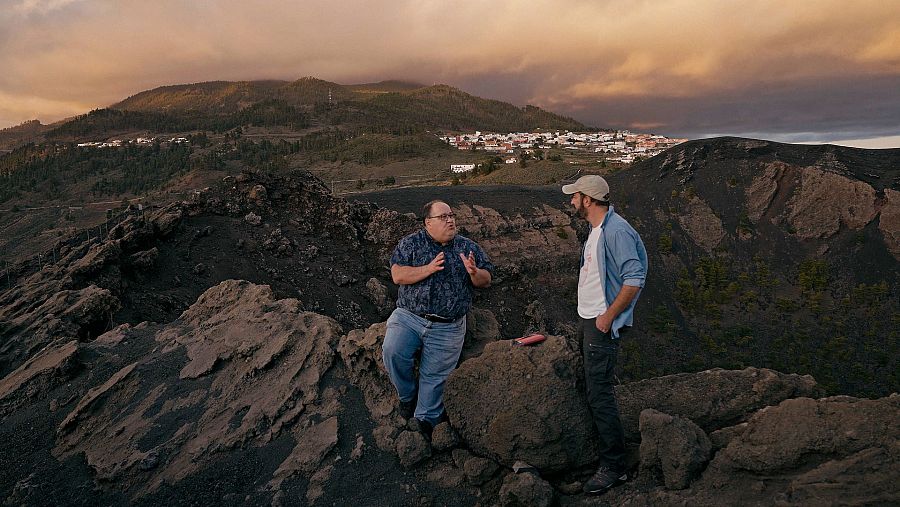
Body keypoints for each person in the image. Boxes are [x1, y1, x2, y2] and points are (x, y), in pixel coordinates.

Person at [562, 175, 648, 495]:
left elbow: (634, 278)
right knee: (594, 388)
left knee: (600, 394)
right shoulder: (598, 229)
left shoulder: (616, 230)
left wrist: (608, 317)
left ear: (588, 199)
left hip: (601, 324)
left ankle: (614, 466)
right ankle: (606, 456)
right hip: (590, 319)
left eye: (576, 196)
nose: (572, 201)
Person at [382, 199, 493, 436]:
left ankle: (423, 424)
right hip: (409, 317)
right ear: (428, 223)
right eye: (443, 217)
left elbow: (487, 280)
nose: (450, 220)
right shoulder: (411, 244)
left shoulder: (468, 247)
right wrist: (428, 269)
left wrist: (474, 273)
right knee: (393, 351)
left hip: (448, 327)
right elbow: (397, 275)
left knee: (434, 380)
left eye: (452, 215)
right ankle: (407, 396)